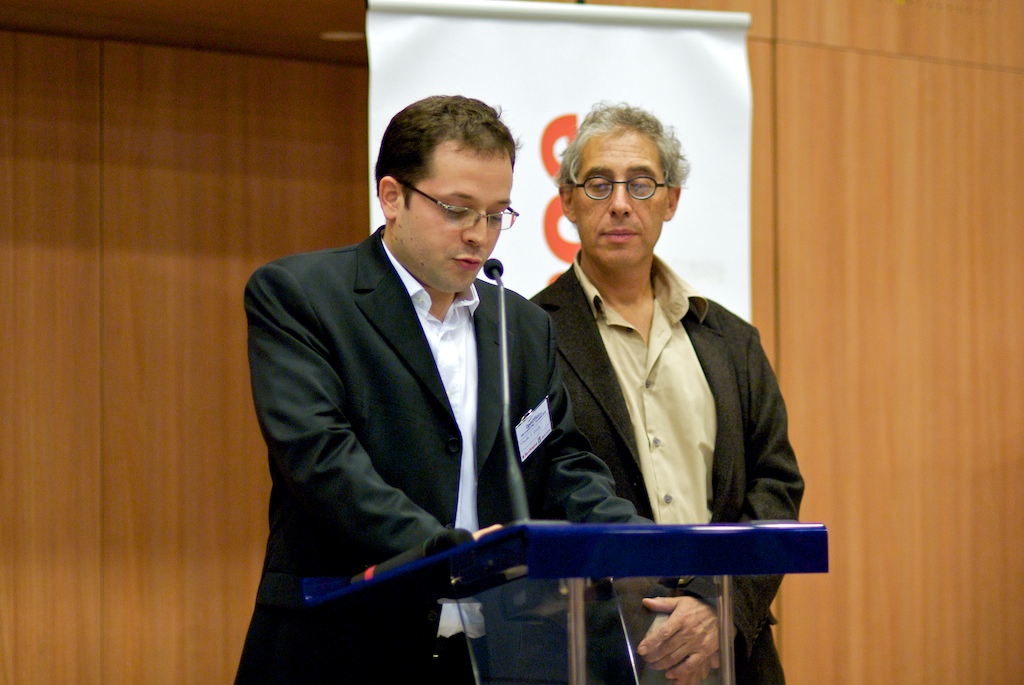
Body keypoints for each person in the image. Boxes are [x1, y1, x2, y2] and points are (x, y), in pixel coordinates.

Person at [234, 95, 648, 684]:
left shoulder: (522, 326)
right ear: (392, 197)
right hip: (343, 644)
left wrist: (635, 541)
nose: (479, 236)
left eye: (496, 214)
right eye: (457, 210)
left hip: (491, 656)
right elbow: (322, 461)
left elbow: (556, 458)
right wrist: (454, 553)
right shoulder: (303, 297)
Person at [532, 102, 805, 685]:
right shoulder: (529, 338)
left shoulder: (730, 339)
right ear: (568, 202)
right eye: (599, 184)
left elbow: (776, 486)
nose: (621, 204)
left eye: (642, 184)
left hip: (729, 649)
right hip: (593, 650)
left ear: (671, 201)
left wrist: (716, 606)